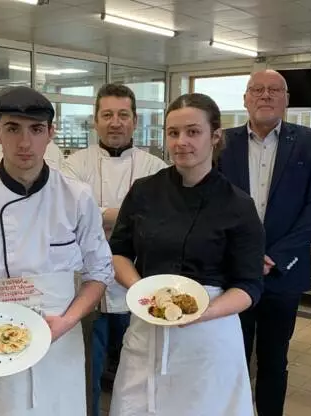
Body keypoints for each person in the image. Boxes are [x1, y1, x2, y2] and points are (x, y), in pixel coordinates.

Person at [0, 86, 113, 416]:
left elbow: (99, 273)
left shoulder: (77, 197)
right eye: (13, 129)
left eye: (36, 129)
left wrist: (67, 321)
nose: (25, 143)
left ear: (51, 133)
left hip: (61, 339)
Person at [108, 93, 264, 416]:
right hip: (148, 324)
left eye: (193, 132)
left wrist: (201, 313)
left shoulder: (238, 205)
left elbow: (249, 286)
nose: (181, 142)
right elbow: (119, 253)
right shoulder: (144, 191)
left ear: (215, 136)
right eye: (173, 132)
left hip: (209, 334)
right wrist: (143, 293)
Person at [218, 69, 311, 416]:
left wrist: (275, 257)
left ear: (286, 99)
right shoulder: (222, 142)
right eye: (257, 89)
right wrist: (242, 255)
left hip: (283, 274)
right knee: (230, 357)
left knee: (273, 360)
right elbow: (211, 204)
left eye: (274, 90)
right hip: (232, 273)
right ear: (245, 99)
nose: (265, 95)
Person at [61, 83, 167, 416]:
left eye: (123, 115)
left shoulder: (155, 167)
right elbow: (70, 214)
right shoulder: (73, 164)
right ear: (95, 120)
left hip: (136, 282)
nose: (115, 122)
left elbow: (158, 218)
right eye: (107, 115)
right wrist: (129, 214)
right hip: (85, 287)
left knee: (138, 372)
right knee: (87, 371)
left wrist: (97, 212)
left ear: (135, 120)